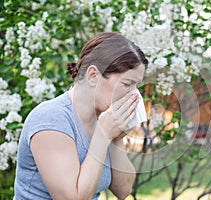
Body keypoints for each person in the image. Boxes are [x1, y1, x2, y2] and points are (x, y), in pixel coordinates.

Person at [14, 32, 149, 200]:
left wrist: (116, 138)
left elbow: (123, 190)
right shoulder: (51, 119)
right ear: (93, 75)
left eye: (136, 86)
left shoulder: (103, 119)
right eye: (127, 84)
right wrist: (103, 134)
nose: (133, 95)